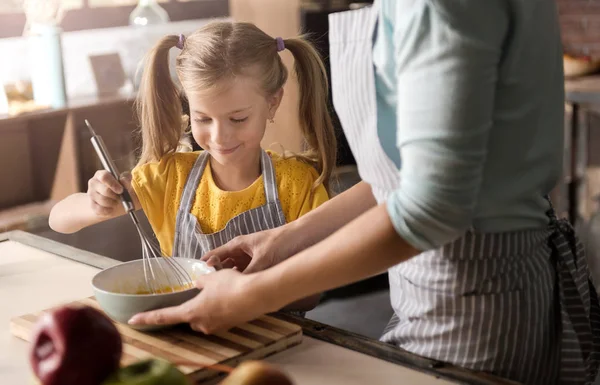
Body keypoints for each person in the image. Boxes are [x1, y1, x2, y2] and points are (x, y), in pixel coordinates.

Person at [128, 1, 600, 384]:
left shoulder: (440, 7)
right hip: (429, 290)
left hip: (479, 301)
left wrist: (251, 296)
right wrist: (284, 238)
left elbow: (430, 209)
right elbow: (401, 178)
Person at [48, 21, 337, 311]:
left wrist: (247, 285)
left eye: (237, 119)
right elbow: (58, 219)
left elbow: (311, 295)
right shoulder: (170, 175)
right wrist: (95, 204)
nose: (219, 136)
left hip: (277, 341)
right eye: (203, 119)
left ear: (273, 103)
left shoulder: (299, 184)